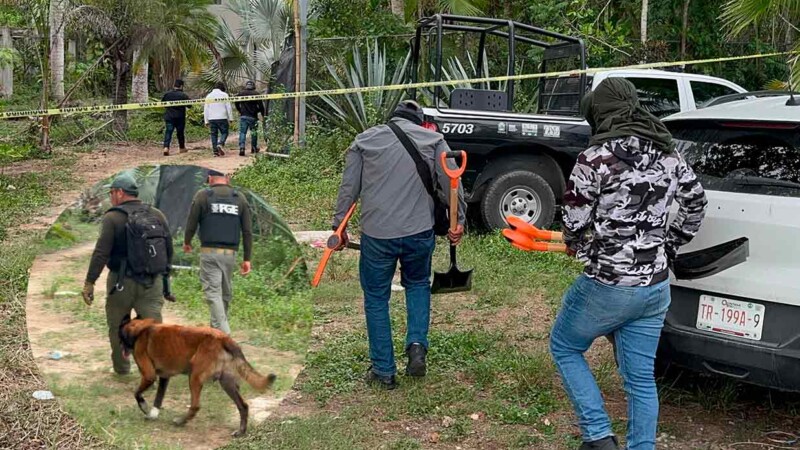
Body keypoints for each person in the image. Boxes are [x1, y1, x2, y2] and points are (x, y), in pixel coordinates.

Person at [550, 78, 708, 450]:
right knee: (639, 381)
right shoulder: (669, 153)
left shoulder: (594, 158)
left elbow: (574, 220)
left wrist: (579, 246)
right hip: (655, 288)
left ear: (601, 112)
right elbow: (696, 203)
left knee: (565, 346)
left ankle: (599, 435)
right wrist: (670, 245)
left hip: (607, 285)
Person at [330, 100, 466, 390]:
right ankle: (417, 346)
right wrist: (459, 221)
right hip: (419, 232)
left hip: (378, 236)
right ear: (419, 122)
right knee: (417, 284)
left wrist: (338, 226)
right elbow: (452, 183)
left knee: (376, 298)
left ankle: (383, 371)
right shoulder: (434, 140)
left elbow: (348, 188)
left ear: (391, 118)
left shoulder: (364, 141)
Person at [82, 174, 174, 375]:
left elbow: (101, 253)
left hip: (121, 283)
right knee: (153, 329)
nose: (111, 196)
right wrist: (165, 280)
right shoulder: (157, 214)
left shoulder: (112, 217)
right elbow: (168, 249)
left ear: (120, 192)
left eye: (111, 192)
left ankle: (122, 368)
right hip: (152, 283)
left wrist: (90, 282)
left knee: (118, 327)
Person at [183, 169, 253, 334]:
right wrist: (247, 258)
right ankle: (217, 336)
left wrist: (187, 242)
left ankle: (224, 335)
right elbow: (247, 231)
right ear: (227, 177)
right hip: (230, 255)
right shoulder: (239, 198)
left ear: (209, 178)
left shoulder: (203, 196)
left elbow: (191, 222)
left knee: (214, 293)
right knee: (225, 295)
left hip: (209, 253)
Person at [235, 80, 265, 157]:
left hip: (244, 116)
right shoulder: (256, 94)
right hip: (253, 117)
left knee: (242, 132)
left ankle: (242, 147)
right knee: (254, 133)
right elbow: (261, 106)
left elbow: (236, 102)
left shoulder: (241, 93)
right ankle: (253, 148)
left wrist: (240, 110)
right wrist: (262, 114)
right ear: (253, 86)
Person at [204, 82, 233, 157]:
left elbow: (206, 109)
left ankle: (215, 152)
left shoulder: (208, 96)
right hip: (222, 117)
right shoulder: (224, 95)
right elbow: (228, 107)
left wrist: (206, 120)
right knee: (224, 132)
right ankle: (220, 143)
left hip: (212, 118)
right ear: (222, 88)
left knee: (214, 134)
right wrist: (231, 118)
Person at [161, 79, 190, 156]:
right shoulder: (183, 95)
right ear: (181, 86)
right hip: (180, 117)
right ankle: (182, 148)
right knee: (180, 133)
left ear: (174, 85)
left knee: (168, 132)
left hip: (169, 117)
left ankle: (166, 147)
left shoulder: (167, 94)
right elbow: (190, 105)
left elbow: (163, 103)